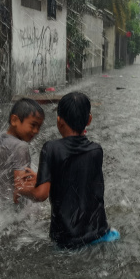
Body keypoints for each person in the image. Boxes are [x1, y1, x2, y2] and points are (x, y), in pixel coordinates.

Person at [16, 91, 119, 248]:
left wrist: (19, 189)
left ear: (59, 121)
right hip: (100, 234)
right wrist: (45, 177)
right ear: (89, 120)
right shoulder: (96, 150)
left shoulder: (51, 148)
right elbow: (77, 175)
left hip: (67, 241)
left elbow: (41, 194)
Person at [0, 98, 44, 202]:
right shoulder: (21, 147)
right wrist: (41, 183)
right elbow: (20, 187)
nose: (36, 131)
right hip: (13, 207)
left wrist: (2, 172)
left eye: (39, 127)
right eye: (33, 125)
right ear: (14, 120)